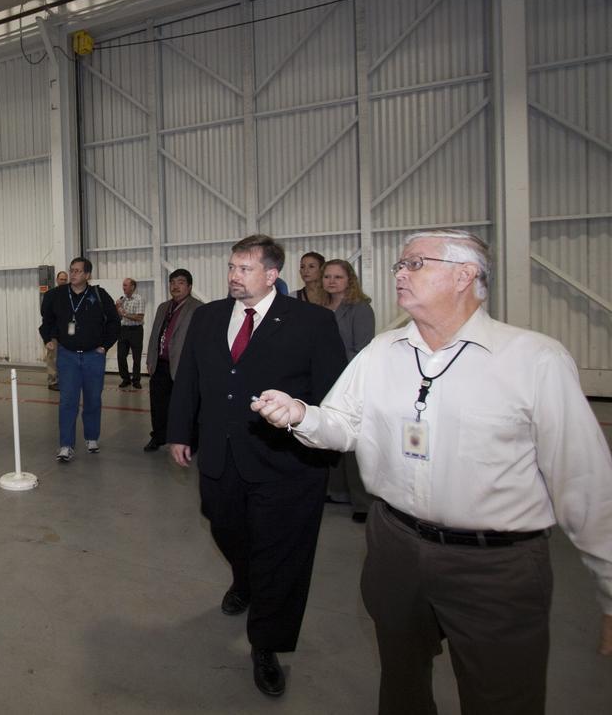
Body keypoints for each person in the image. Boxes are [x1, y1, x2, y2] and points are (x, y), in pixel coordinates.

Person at [251, 229, 612, 715]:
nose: (400, 272)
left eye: (415, 263)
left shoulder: (533, 360)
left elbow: (585, 482)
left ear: (465, 275)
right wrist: (300, 414)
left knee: (502, 696)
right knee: (401, 687)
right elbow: (341, 424)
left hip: (496, 567)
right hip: (394, 547)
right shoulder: (381, 352)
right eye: (400, 264)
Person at [167, 234, 347, 698]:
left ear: (271, 275)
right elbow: (189, 378)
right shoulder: (207, 318)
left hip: (287, 462)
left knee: (280, 553)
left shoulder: (313, 322)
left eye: (245, 269)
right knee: (224, 525)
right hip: (221, 453)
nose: (233, 275)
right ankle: (245, 578)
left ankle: (267, 645)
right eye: (232, 266)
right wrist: (181, 432)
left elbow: (334, 397)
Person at [39, 257, 119, 462]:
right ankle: (66, 444)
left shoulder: (99, 295)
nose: (73, 274)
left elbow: (114, 322)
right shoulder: (55, 296)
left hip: (94, 356)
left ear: (87, 275)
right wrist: (48, 338)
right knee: (68, 401)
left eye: (78, 271)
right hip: (67, 356)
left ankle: (92, 438)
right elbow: (46, 320)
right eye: (71, 270)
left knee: (93, 399)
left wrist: (105, 345)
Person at [321, 258, 377, 522]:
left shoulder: (360, 308)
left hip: (351, 381)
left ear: (349, 280)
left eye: (338, 277)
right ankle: (336, 490)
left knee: (353, 443)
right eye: (327, 277)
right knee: (329, 436)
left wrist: (332, 359)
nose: (331, 281)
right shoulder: (321, 307)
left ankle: (363, 502)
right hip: (325, 381)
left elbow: (362, 350)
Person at [144, 268, 202, 452]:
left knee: (186, 406)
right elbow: (155, 335)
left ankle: (191, 441)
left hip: (184, 366)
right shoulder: (163, 307)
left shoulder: (198, 308)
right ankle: (159, 437)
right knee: (158, 405)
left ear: (190, 286)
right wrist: (150, 359)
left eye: (181, 282)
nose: (175, 286)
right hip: (161, 365)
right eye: (172, 282)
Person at [115, 277, 146, 390]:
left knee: (136, 357)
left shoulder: (139, 299)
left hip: (136, 330)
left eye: (126, 285)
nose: (123, 288)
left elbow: (139, 317)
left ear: (132, 287)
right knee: (121, 356)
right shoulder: (122, 300)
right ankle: (125, 379)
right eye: (123, 285)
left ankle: (136, 380)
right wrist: (117, 307)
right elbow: (118, 317)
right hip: (123, 330)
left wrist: (123, 313)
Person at [43, 270, 68, 391]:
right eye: (61, 279)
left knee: (65, 358)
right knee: (52, 357)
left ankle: (64, 380)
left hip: (67, 333)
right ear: (57, 280)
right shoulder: (50, 294)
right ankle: (52, 381)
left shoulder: (71, 294)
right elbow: (44, 313)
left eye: (65, 279)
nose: (63, 281)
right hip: (53, 332)